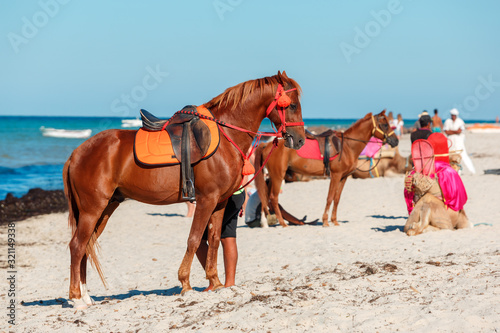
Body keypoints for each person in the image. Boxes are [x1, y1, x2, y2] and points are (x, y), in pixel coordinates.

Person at [196, 188, 245, 290]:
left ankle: (213, 281)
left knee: (198, 241)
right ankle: (230, 284)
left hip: (219, 196)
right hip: (237, 194)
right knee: (228, 237)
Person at [443, 108, 476, 174]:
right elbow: (446, 131)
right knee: (451, 156)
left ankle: (472, 170)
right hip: (450, 141)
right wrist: (455, 131)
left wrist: (452, 131)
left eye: (454, 115)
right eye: (452, 115)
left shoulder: (460, 121)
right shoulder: (448, 121)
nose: (453, 116)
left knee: (463, 155)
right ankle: (455, 171)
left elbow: (459, 131)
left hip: (459, 141)